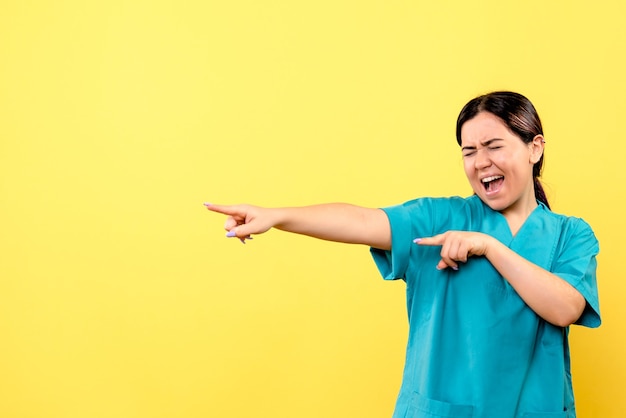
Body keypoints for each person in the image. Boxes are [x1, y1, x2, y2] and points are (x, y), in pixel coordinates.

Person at [204, 91, 600, 418]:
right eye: (468, 151)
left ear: (535, 148)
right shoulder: (440, 217)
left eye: (494, 146)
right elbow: (360, 221)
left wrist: (490, 247)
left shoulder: (571, 234)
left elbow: (563, 307)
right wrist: (278, 215)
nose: (481, 162)